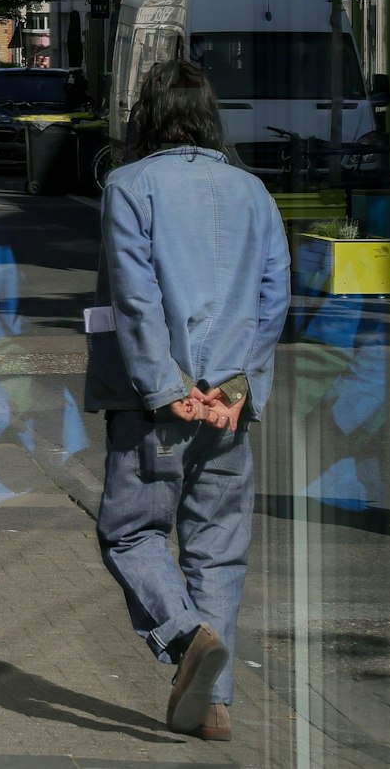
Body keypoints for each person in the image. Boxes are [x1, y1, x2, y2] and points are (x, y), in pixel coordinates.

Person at [86, 59, 290, 743]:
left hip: (156, 404)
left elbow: (135, 297)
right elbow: (272, 300)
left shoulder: (129, 184)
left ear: (147, 114)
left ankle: (185, 636)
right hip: (228, 407)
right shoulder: (254, 193)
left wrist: (168, 388)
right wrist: (239, 390)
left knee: (130, 530)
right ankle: (214, 703)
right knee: (218, 548)